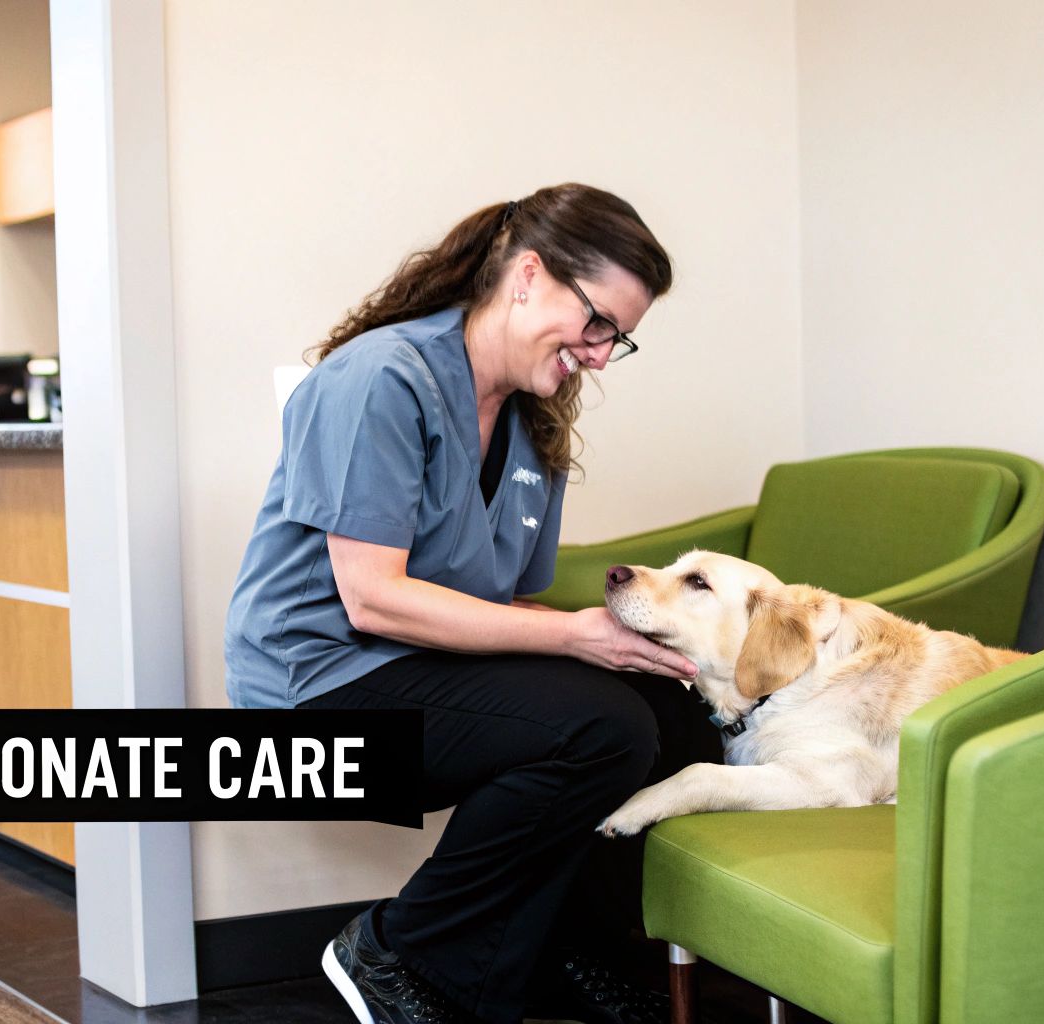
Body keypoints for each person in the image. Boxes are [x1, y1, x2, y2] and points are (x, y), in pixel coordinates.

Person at [225, 184, 718, 1024]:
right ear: (528, 276)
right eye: (597, 322)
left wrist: (612, 641)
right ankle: (395, 947)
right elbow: (374, 600)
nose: (600, 355)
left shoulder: (534, 421)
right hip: (315, 690)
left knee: (668, 710)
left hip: (422, 670)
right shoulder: (382, 378)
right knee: (603, 727)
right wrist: (573, 637)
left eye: (618, 339)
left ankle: (555, 958)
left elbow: (508, 605)